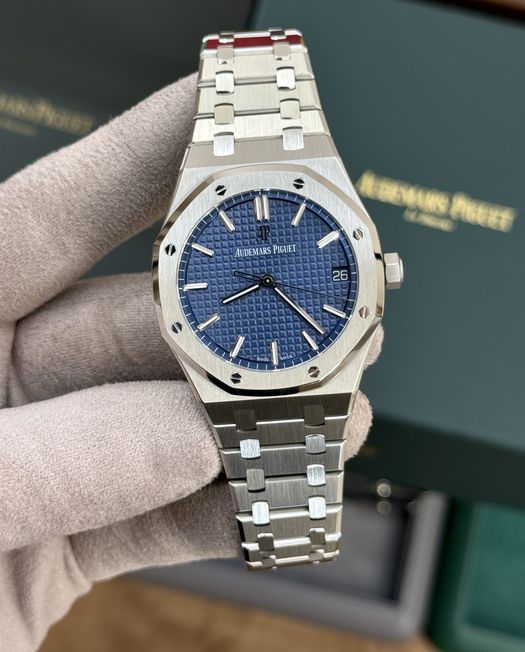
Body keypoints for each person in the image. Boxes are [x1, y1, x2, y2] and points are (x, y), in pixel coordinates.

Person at [0, 74, 381, 651]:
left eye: (272, 279)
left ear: (379, 271)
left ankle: (292, 525)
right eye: (260, 279)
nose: (267, 281)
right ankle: (289, 524)